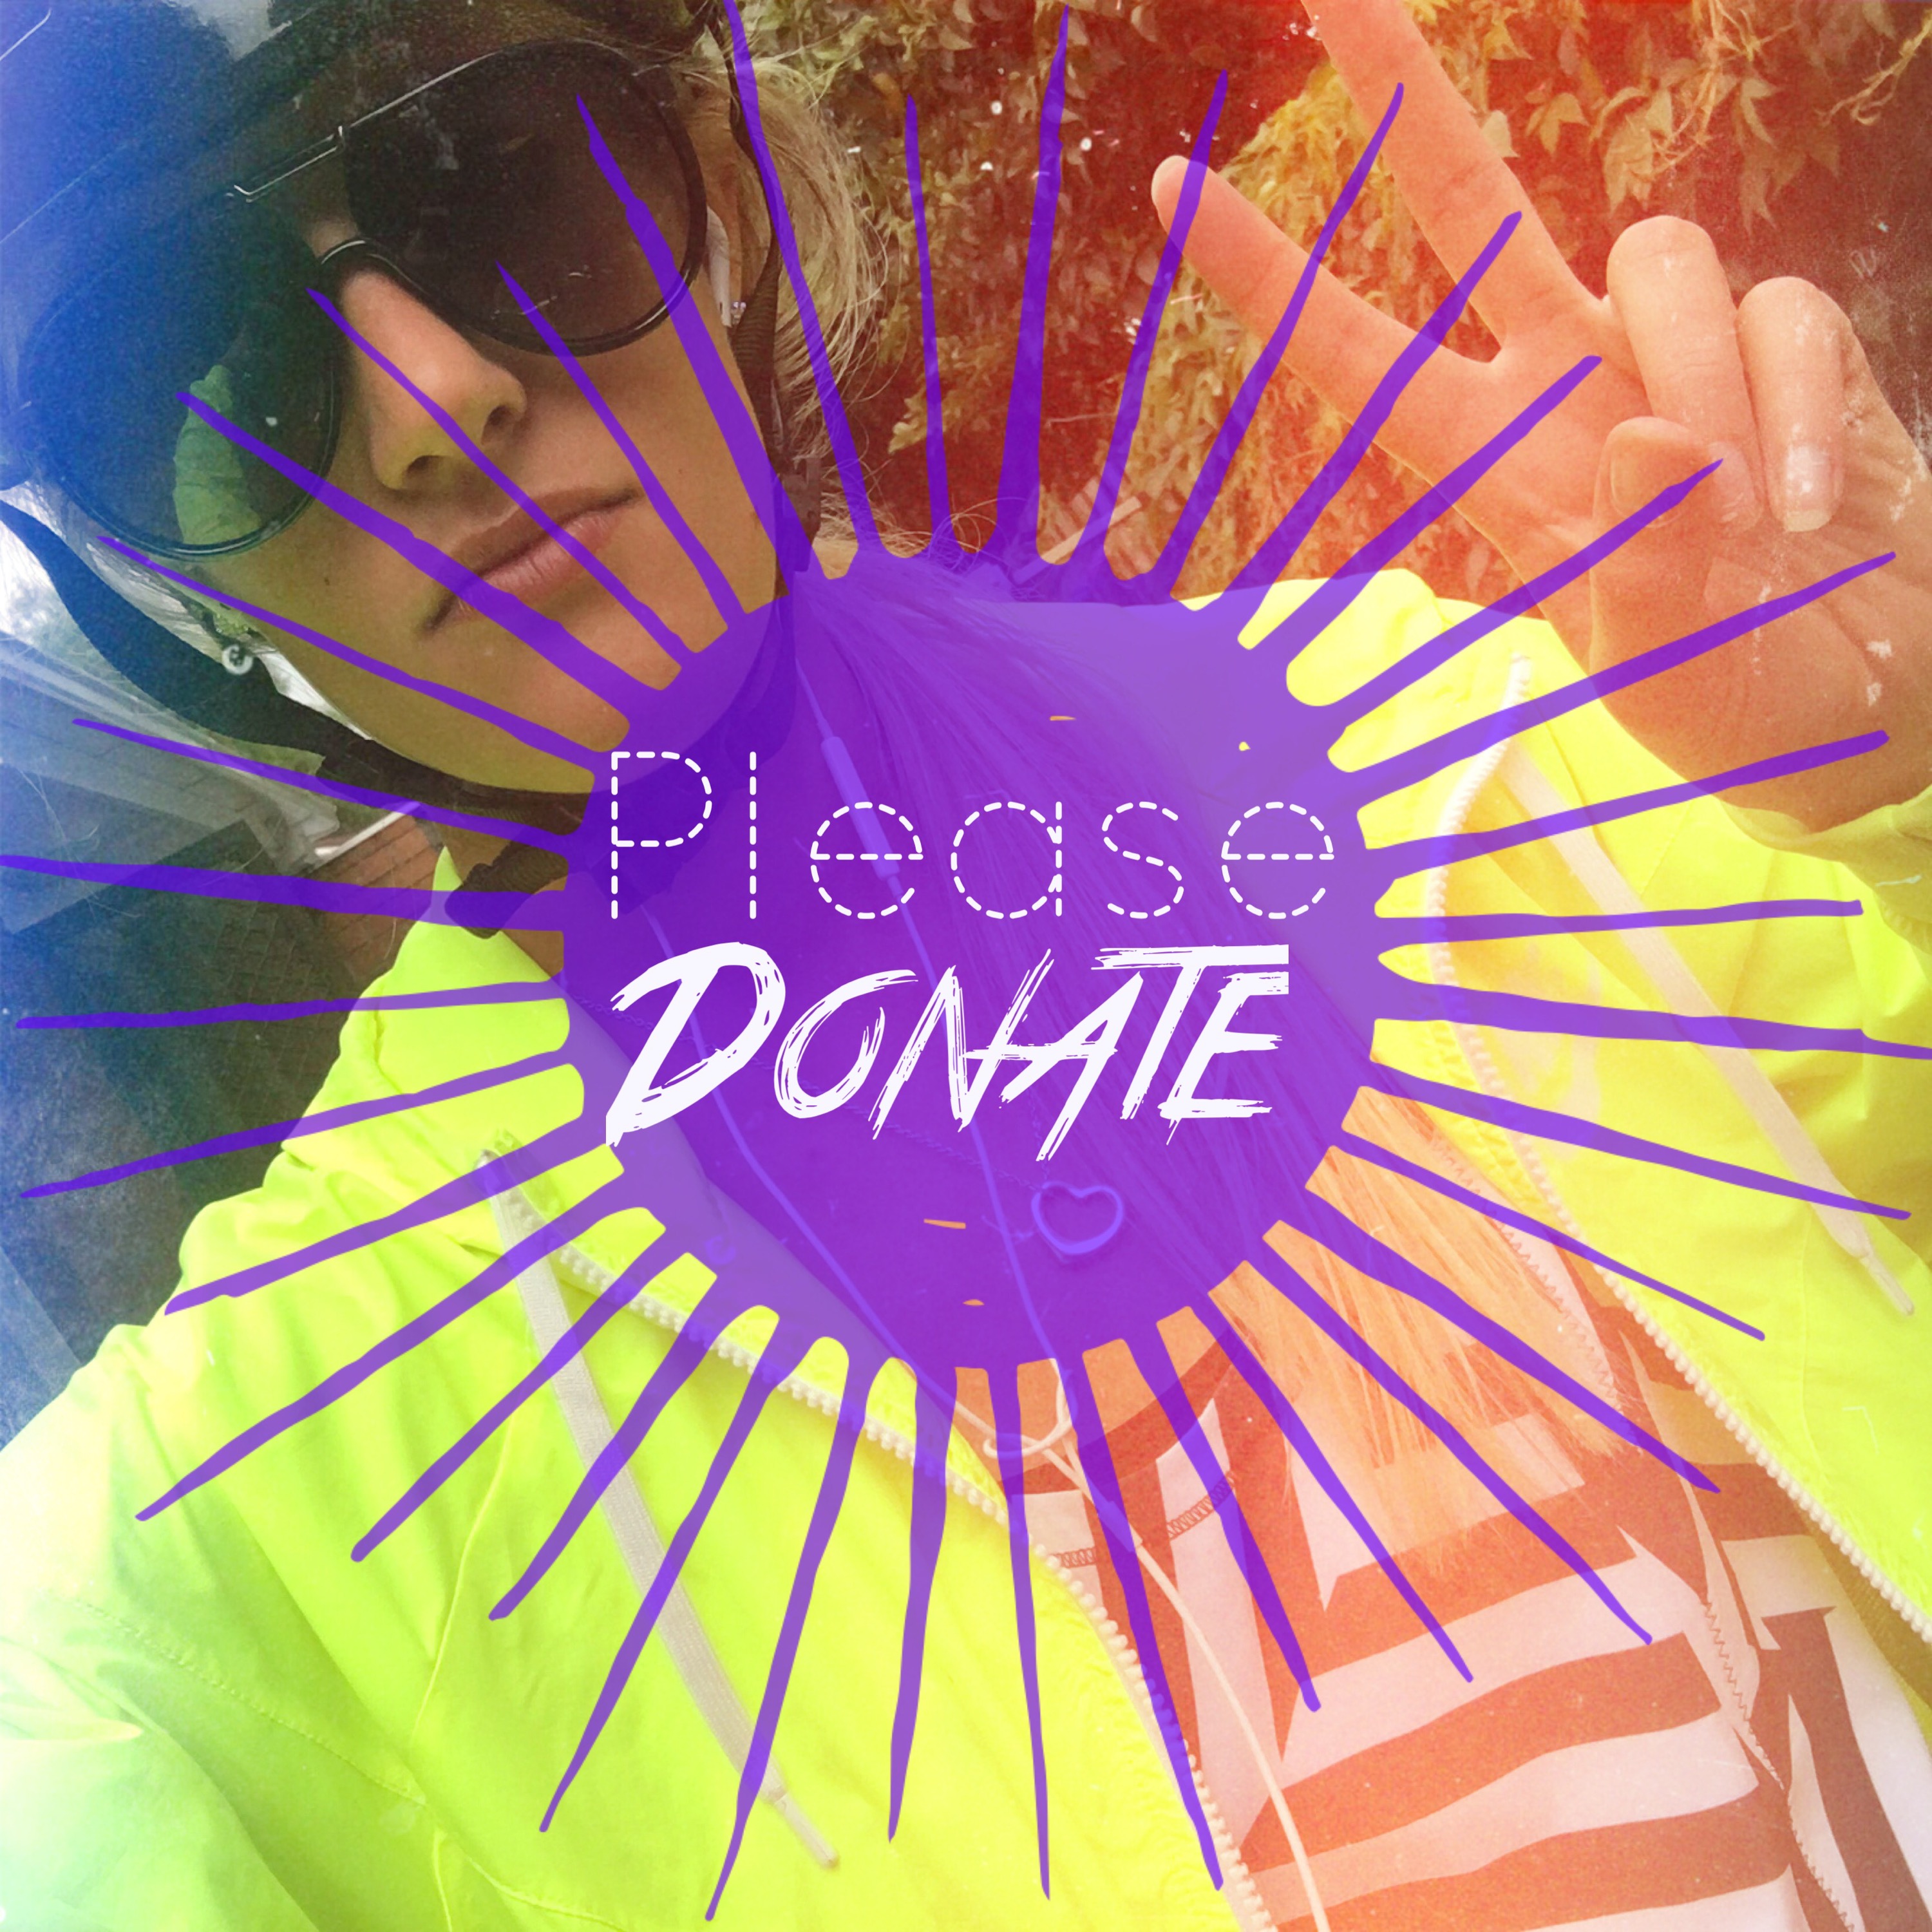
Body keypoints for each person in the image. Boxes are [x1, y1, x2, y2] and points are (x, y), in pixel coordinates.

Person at [0, 1, 1927, 1927]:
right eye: (201, 370)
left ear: (721, 196)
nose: (432, 401)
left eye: (508, 185)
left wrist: (1893, 784)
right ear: (159, 584)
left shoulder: (1455, 752)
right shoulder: (251, 1489)